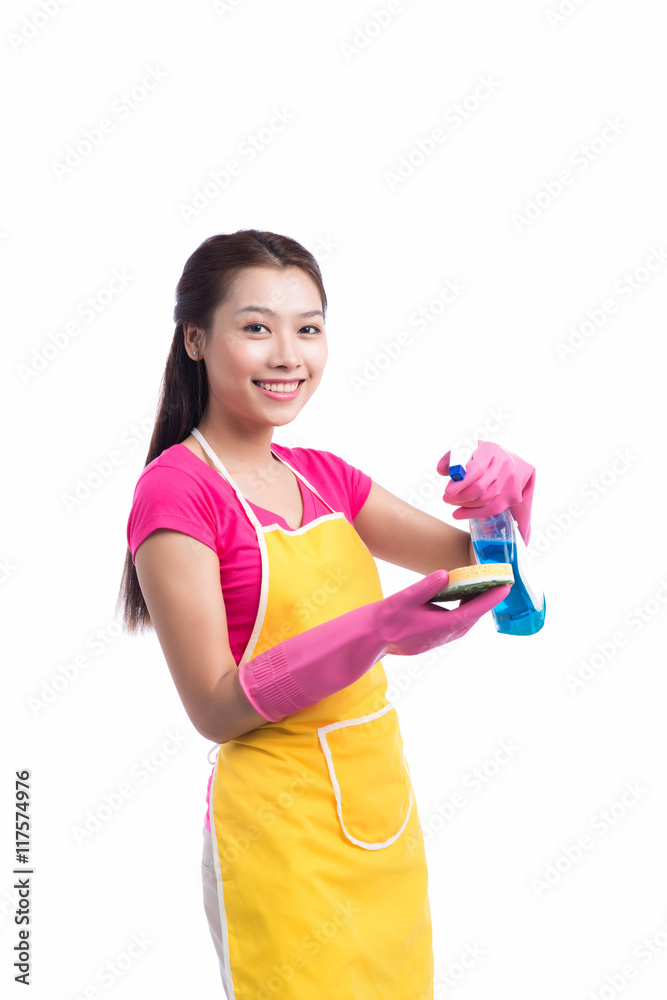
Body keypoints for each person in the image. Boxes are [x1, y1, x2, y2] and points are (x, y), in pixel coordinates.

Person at [116, 230, 536, 999]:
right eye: (256, 327)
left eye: (308, 327)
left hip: (382, 813)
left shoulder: (323, 476)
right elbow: (214, 706)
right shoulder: (178, 493)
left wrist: (502, 505)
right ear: (196, 338)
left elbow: (492, 581)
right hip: (278, 832)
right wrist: (372, 631)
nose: (288, 354)